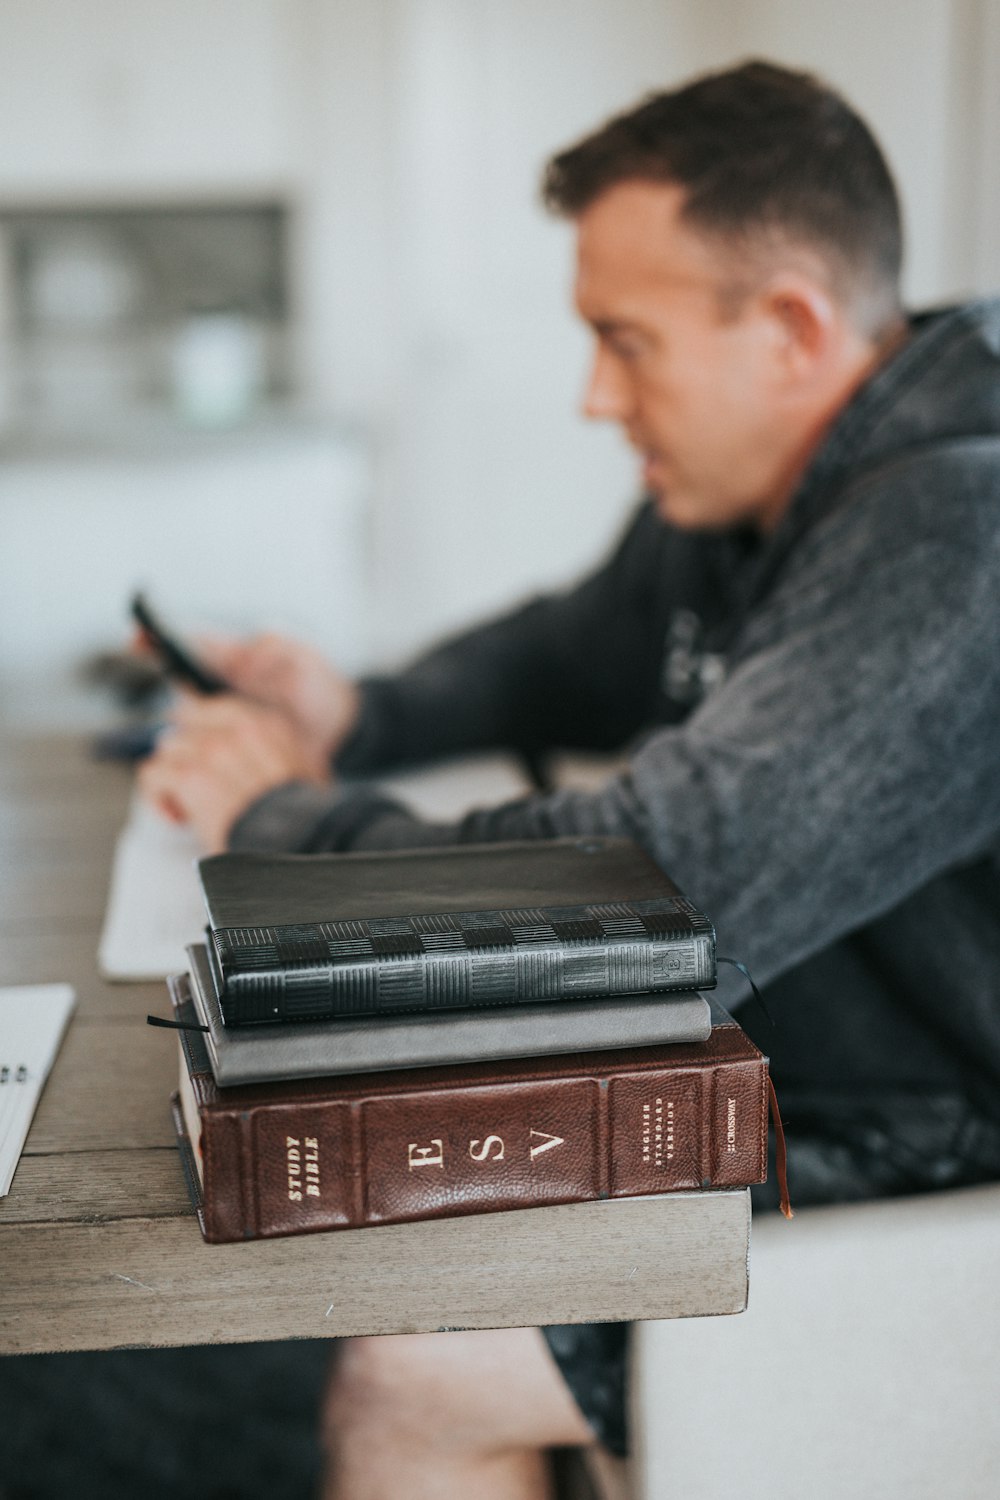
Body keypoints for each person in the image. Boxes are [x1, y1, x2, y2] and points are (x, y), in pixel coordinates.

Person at [139, 59, 1000, 1500]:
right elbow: (566, 651)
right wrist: (360, 708)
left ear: (787, 328)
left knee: (407, 1378)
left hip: (939, 1154)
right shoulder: (763, 482)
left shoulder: (960, 534)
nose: (597, 397)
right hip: (802, 1071)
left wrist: (275, 823)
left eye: (626, 341)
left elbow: (635, 896)